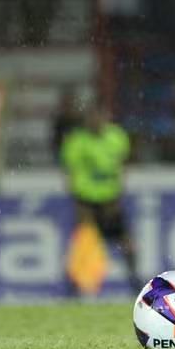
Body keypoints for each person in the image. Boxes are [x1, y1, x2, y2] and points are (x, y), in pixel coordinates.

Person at [59, 100, 141, 291]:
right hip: (87, 202)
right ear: (87, 120)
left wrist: (118, 194)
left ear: (106, 118)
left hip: (110, 200)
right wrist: (79, 202)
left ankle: (135, 282)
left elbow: (121, 166)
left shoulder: (117, 137)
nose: (95, 121)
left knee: (126, 241)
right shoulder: (76, 142)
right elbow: (70, 173)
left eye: (99, 117)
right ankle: (75, 287)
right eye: (92, 118)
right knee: (84, 245)